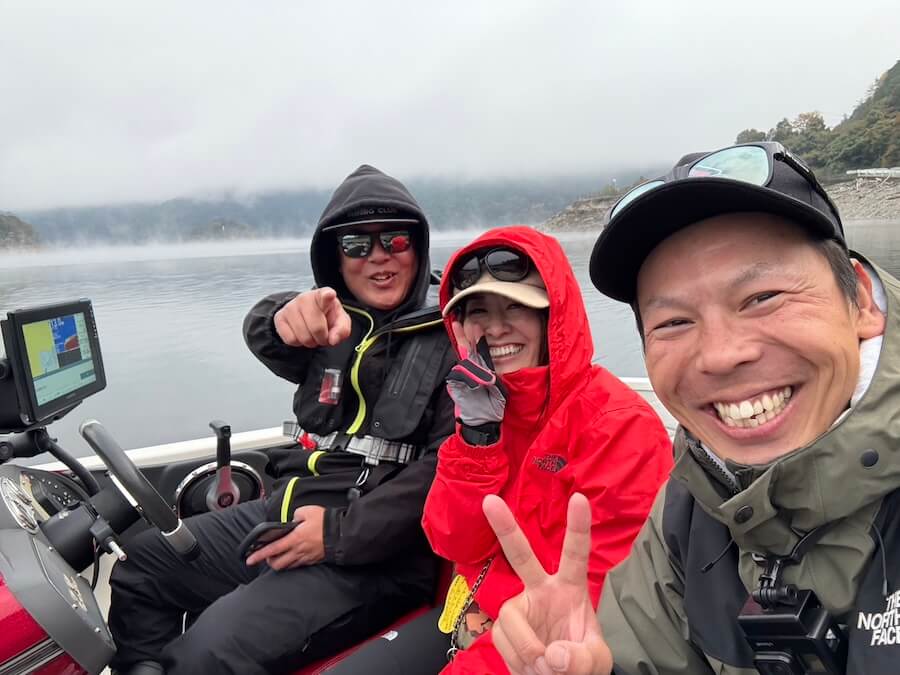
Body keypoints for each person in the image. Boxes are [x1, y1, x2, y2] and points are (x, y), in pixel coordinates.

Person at [480, 142, 900, 675]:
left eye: (762, 297)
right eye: (674, 323)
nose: (721, 355)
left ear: (860, 300)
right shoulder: (691, 502)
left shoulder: (631, 438)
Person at [108, 164, 456, 675]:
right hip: (284, 511)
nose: (378, 255)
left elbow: (447, 470)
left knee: (206, 653)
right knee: (141, 567)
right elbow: (265, 332)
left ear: (418, 247)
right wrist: (282, 312)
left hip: (376, 556)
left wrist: (337, 533)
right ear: (335, 260)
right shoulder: (330, 322)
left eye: (396, 239)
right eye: (356, 244)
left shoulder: (453, 332)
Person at [326, 225, 673, 674]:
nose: (494, 327)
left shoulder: (619, 427)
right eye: (477, 311)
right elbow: (451, 540)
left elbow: (598, 604)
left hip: (546, 644)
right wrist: (477, 439)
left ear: (552, 317)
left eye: (516, 307)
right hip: (468, 616)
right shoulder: (482, 408)